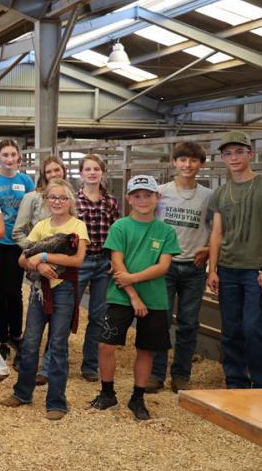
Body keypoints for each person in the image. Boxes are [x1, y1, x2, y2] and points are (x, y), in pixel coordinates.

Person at [91, 175, 179, 421]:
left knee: (146, 348)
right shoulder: (120, 227)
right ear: (129, 199)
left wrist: (133, 279)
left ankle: (138, 397)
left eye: (148, 195)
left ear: (157, 198)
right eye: (137, 196)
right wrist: (132, 294)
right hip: (121, 295)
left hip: (155, 298)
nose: (143, 200)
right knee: (106, 345)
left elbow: (163, 267)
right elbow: (116, 261)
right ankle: (108, 393)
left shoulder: (165, 231)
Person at [1, 178, 88, 420]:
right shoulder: (41, 225)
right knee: (30, 343)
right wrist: (38, 267)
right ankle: (22, 393)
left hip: (64, 289)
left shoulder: (77, 226)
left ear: (70, 201)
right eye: (52, 197)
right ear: (46, 200)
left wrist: (45, 256)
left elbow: (78, 260)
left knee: (58, 345)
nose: (57, 201)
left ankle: (57, 401)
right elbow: (22, 259)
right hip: (40, 288)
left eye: (62, 197)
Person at [207, 131, 262, 389]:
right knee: (231, 330)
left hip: (256, 271)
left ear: (250, 154)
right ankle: (236, 381)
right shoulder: (220, 193)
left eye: (239, 152)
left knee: (253, 328)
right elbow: (217, 232)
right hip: (228, 269)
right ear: (222, 158)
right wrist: (213, 269)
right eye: (228, 153)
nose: (234, 157)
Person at [150, 142, 212, 393]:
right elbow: (148, 223)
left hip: (194, 267)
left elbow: (218, 229)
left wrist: (209, 249)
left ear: (201, 164)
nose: (187, 165)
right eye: (183, 160)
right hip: (165, 265)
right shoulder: (161, 192)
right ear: (174, 162)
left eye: (193, 160)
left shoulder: (209, 196)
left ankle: (181, 374)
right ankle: (156, 373)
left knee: (188, 323)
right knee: (160, 320)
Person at [12, 155, 66, 381]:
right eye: (49, 171)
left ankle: (47, 367)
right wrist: (35, 253)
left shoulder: (68, 199)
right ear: (43, 175)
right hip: (38, 265)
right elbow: (18, 231)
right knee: (36, 318)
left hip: (63, 267)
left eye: (57, 170)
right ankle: (25, 359)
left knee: (59, 322)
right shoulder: (32, 198)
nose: (54, 174)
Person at [0, 139, 34, 360]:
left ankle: (16, 334)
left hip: (18, 242)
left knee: (16, 291)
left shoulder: (26, 180)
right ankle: (2, 337)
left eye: (13, 155)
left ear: (18, 158)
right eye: (5, 155)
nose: (9, 159)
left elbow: (33, 208)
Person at [75, 154, 119, 381]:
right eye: (88, 169)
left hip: (103, 262)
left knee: (98, 316)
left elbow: (116, 233)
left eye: (96, 169)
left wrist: (114, 259)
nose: (92, 172)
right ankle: (53, 362)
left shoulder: (110, 201)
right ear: (81, 173)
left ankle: (90, 365)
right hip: (79, 262)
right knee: (67, 312)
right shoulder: (73, 200)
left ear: (102, 172)